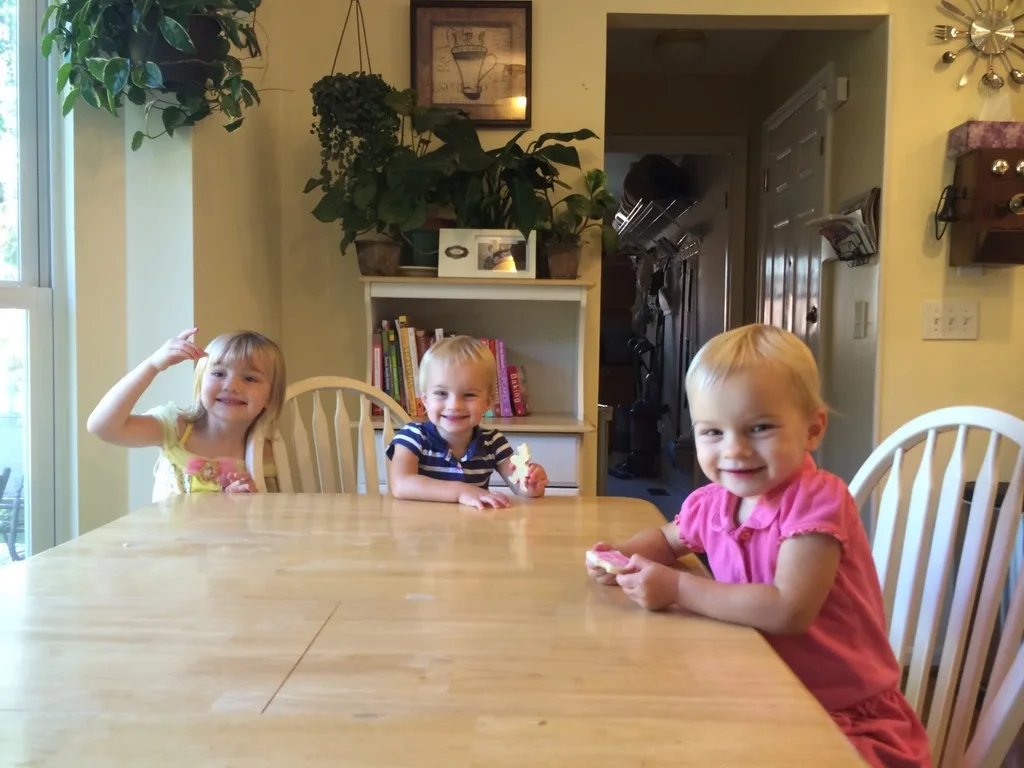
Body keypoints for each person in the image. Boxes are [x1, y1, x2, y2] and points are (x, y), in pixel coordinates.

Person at [586, 324, 930, 768]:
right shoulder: (714, 502)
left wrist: (677, 590)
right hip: (757, 688)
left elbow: (788, 609)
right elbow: (666, 540)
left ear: (812, 430)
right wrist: (622, 557)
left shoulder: (816, 501)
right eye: (712, 432)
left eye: (760, 427)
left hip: (840, 718)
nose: (735, 450)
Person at [87, 328, 286, 501]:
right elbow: (103, 427)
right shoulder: (175, 430)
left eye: (250, 378)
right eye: (218, 374)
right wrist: (152, 366)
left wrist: (245, 504)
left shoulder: (268, 454)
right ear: (200, 383)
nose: (231, 386)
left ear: (271, 396)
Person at [387, 335, 548, 509]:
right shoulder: (413, 437)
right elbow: (401, 485)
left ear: (488, 401)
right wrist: (460, 491)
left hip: (473, 529)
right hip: (423, 531)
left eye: (469, 395)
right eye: (441, 393)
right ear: (425, 399)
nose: (454, 405)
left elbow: (520, 487)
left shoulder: (493, 442)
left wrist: (531, 484)